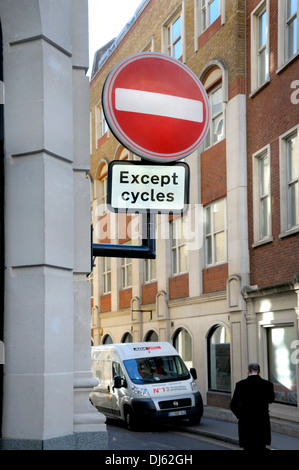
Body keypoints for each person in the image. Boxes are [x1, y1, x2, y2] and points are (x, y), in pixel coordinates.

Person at [230, 363, 275, 451]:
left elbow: (233, 404)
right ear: (259, 372)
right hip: (262, 422)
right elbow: (271, 399)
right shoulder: (268, 384)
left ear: (248, 372)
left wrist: (241, 416)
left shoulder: (240, 384)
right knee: (261, 446)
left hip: (246, 423)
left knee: (248, 447)